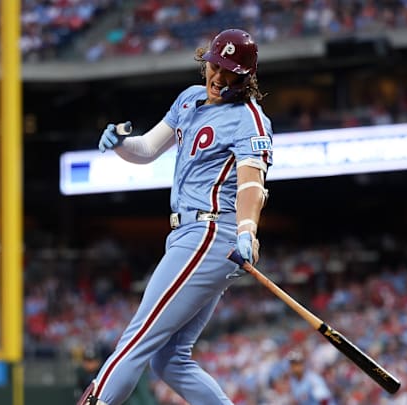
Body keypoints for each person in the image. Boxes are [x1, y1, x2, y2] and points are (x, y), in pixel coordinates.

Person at [77, 28, 273, 405]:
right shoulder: (190, 98)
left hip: (212, 232)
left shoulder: (250, 118)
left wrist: (248, 232)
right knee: (168, 360)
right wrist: (121, 145)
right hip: (188, 234)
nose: (219, 77)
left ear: (245, 77)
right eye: (215, 66)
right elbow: (148, 148)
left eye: (230, 72)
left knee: (139, 336)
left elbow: (252, 184)